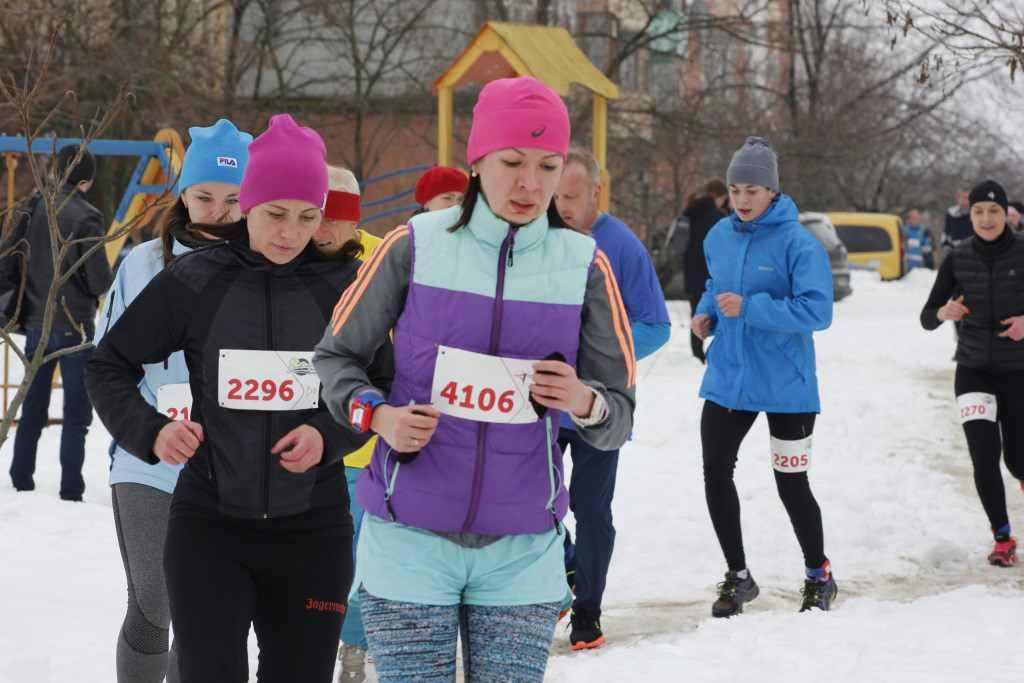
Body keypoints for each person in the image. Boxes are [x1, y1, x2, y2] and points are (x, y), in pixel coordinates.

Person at [313, 76, 636, 682]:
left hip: (521, 550)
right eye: (512, 162)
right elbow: (334, 362)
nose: (530, 184)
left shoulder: (584, 266)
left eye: (548, 165)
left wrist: (583, 400)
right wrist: (378, 416)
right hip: (408, 538)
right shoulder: (414, 246)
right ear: (478, 161)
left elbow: (618, 417)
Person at [86, 114, 391, 682]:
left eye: (307, 217)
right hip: (210, 529)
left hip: (312, 532)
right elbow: (108, 364)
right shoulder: (194, 280)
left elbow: (383, 387)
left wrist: (330, 434)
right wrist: (150, 429)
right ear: (248, 206)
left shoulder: (342, 287)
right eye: (276, 214)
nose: (290, 232)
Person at [95, 118, 251, 683]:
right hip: (150, 460)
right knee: (155, 602)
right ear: (184, 194)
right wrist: (147, 430)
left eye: (234, 199)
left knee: (203, 613)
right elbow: (108, 364)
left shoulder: (268, 269)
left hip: (231, 467)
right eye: (205, 196)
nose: (218, 211)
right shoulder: (141, 264)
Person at [692, 136, 837, 617]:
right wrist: (705, 313)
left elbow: (817, 311)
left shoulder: (799, 244)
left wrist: (751, 308)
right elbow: (716, 288)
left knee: (791, 484)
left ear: (772, 191)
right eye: (735, 190)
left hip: (786, 385)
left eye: (752, 189)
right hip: (730, 376)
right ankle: (738, 576)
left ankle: (819, 574)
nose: (742, 199)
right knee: (716, 473)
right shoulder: (718, 236)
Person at [553, 146, 670, 649]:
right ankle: (569, 566)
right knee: (532, 501)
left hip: (602, 407)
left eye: (571, 198)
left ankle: (588, 610)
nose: (560, 208)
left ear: (596, 192)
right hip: (543, 402)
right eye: (555, 197)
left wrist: (599, 363)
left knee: (590, 507)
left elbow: (656, 326)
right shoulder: (538, 238)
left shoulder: (622, 247)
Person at [920, 179, 1024, 568]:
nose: (985, 218)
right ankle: (1002, 537)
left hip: (1018, 370)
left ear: (1006, 215)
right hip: (973, 371)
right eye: (979, 211)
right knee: (983, 456)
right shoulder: (958, 258)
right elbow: (927, 315)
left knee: (1017, 459)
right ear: (971, 215)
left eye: (993, 211)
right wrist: (944, 313)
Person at [5, 145, 113, 500]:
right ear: (88, 178)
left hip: (37, 321)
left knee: (32, 406)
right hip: (75, 325)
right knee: (77, 414)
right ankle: (70, 489)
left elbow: (10, 258)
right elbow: (99, 281)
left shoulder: (33, 206)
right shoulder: (87, 216)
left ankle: (21, 479)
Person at [313, 164, 382, 682]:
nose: (323, 231)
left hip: (368, 445)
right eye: (318, 217)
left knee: (360, 563)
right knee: (316, 565)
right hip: (305, 444)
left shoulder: (385, 259)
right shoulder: (288, 258)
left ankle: (353, 649)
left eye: (335, 220)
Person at [682, 179, 729, 363]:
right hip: (709, 270)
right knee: (712, 309)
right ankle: (701, 354)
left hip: (690, 268)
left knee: (696, 311)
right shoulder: (717, 217)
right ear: (719, 196)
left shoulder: (691, 210)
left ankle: (696, 351)